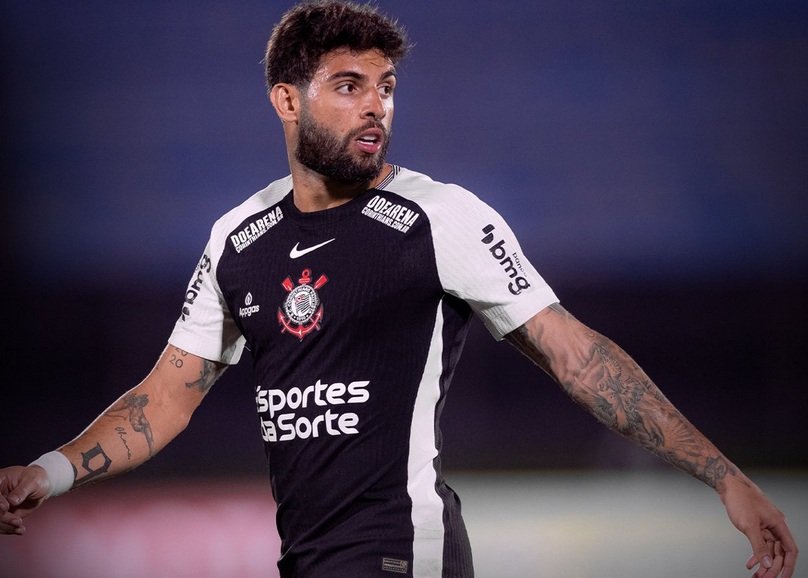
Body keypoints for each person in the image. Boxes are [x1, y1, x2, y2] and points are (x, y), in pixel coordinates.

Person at [0, 1, 798, 577]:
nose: (375, 104)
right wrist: (51, 470)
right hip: (309, 560)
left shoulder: (438, 217)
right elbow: (168, 394)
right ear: (286, 99)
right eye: (348, 85)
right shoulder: (237, 238)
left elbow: (576, 355)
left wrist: (722, 474)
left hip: (399, 552)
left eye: (384, 85)